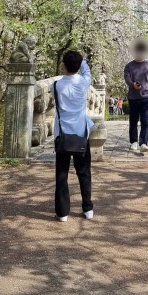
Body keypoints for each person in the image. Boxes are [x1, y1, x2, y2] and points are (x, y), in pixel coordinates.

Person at [53, 50, 95, 221]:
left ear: (63, 65)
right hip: (80, 134)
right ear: (78, 66)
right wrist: (83, 61)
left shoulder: (56, 85)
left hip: (62, 135)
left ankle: (63, 212)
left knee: (62, 174)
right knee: (84, 172)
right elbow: (87, 72)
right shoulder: (84, 82)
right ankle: (87, 209)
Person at [124, 40, 148, 152]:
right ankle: (134, 142)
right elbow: (127, 78)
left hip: (147, 97)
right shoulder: (129, 66)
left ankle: (143, 143)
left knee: (145, 121)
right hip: (133, 97)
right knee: (133, 121)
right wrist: (132, 84)